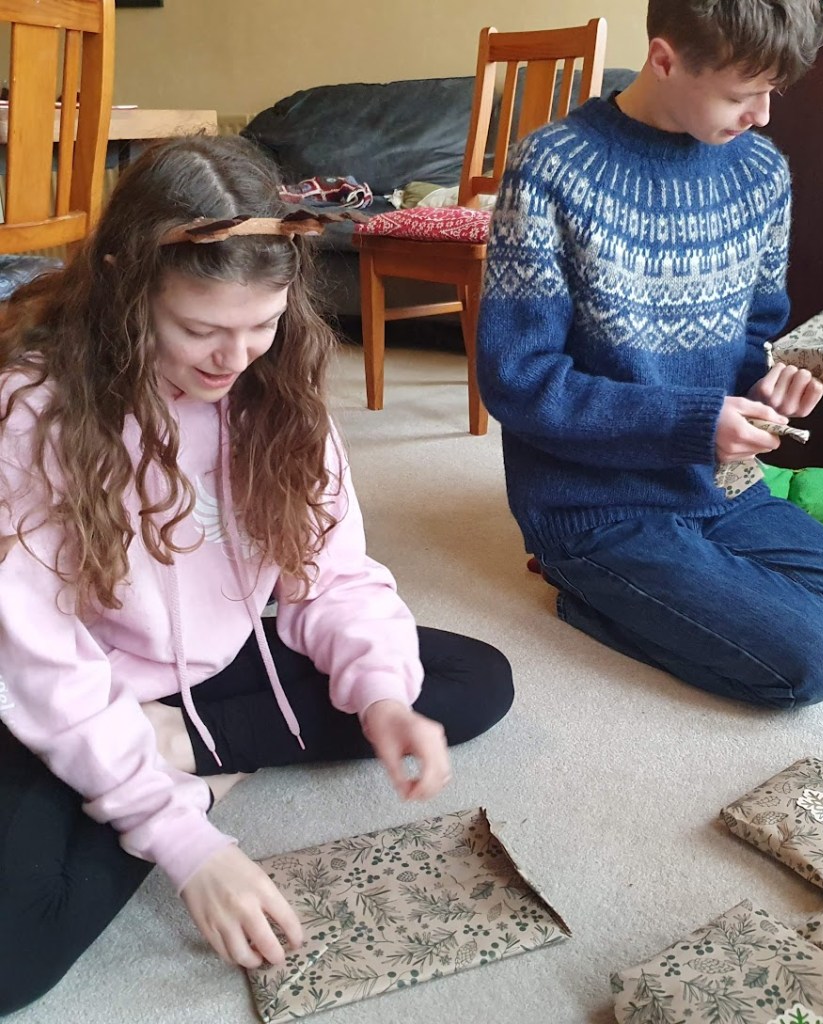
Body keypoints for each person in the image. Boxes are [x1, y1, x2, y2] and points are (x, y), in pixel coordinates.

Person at [0, 134, 514, 1014]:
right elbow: (34, 654)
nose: (232, 360)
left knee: (469, 681)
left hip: (220, 650)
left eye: (261, 325)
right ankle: (169, 758)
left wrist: (382, 696)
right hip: (70, 679)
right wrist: (184, 839)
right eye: (199, 330)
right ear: (128, 287)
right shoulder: (30, 413)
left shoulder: (279, 391)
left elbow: (333, 577)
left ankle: (183, 742)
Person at [476, 0, 823, 711]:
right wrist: (694, 421)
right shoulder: (551, 168)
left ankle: (677, 588)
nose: (764, 115)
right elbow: (518, 379)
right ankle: (584, 593)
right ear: (664, 59)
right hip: (594, 504)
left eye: (773, 91)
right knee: (812, 665)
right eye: (742, 94)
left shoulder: (761, 174)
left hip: (721, 484)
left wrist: (773, 383)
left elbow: (755, 332)